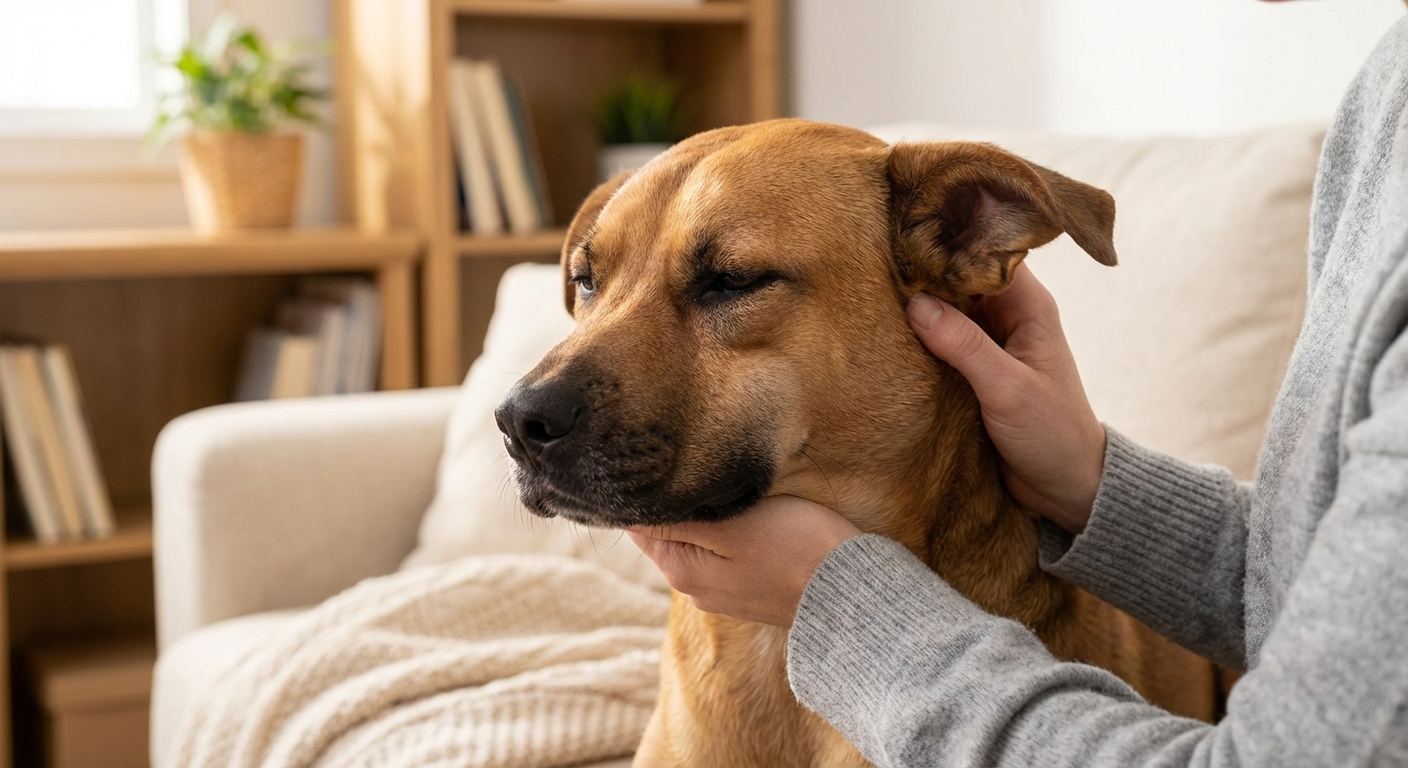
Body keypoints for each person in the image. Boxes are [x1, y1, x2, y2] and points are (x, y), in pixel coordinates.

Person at [626, 7, 1408, 766]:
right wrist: (1094, 484)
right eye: (592, 280)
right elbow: (1327, 590)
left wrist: (841, 604)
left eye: (728, 279)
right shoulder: (1390, 85)